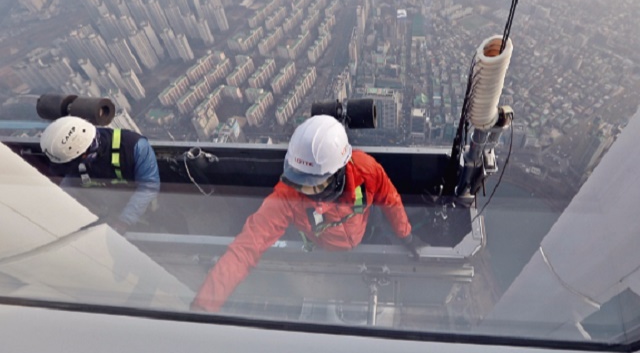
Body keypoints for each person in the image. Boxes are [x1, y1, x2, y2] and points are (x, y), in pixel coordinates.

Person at [192, 115, 426, 312]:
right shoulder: (287, 197)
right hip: (325, 249)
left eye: (313, 184)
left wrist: (406, 236)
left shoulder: (367, 171)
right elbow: (246, 248)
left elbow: (390, 199)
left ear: (338, 173)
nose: (302, 190)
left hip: (364, 233)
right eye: (299, 180)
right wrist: (204, 306)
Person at [40, 116, 160, 232]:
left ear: (84, 154)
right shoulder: (74, 157)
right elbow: (70, 185)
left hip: (143, 212)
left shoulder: (135, 146)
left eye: (71, 162)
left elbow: (149, 187)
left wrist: (124, 221)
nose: (69, 166)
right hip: (106, 210)